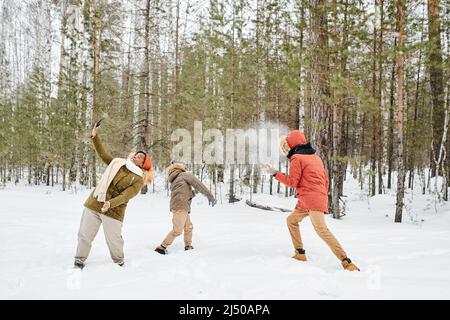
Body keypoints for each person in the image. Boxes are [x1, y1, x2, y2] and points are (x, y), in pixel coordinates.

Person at [265, 130, 359, 271]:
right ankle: (300, 254)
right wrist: (319, 194)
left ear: (292, 145)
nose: (286, 149)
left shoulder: (296, 158)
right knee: (291, 220)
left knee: (322, 230)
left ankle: (347, 262)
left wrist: (275, 173)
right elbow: (326, 180)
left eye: (286, 146)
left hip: (311, 199)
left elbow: (292, 182)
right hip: (311, 198)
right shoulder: (316, 157)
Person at [73, 124, 154, 269]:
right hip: (95, 203)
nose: (137, 155)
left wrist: (110, 203)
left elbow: (125, 196)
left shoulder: (138, 179)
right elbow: (102, 154)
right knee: (84, 234)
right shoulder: (118, 163)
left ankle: (119, 261)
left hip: (114, 211)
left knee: (114, 240)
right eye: (137, 154)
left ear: (143, 164)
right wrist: (95, 137)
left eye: (141, 157)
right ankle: (79, 259)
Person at [155, 161, 217, 254]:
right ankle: (161, 247)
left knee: (188, 227)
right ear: (179, 166)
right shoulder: (184, 175)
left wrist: (193, 193)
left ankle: (188, 245)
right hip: (181, 206)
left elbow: (182, 193)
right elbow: (198, 184)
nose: (185, 166)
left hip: (181, 205)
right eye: (184, 164)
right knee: (177, 230)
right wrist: (209, 195)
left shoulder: (175, 178)